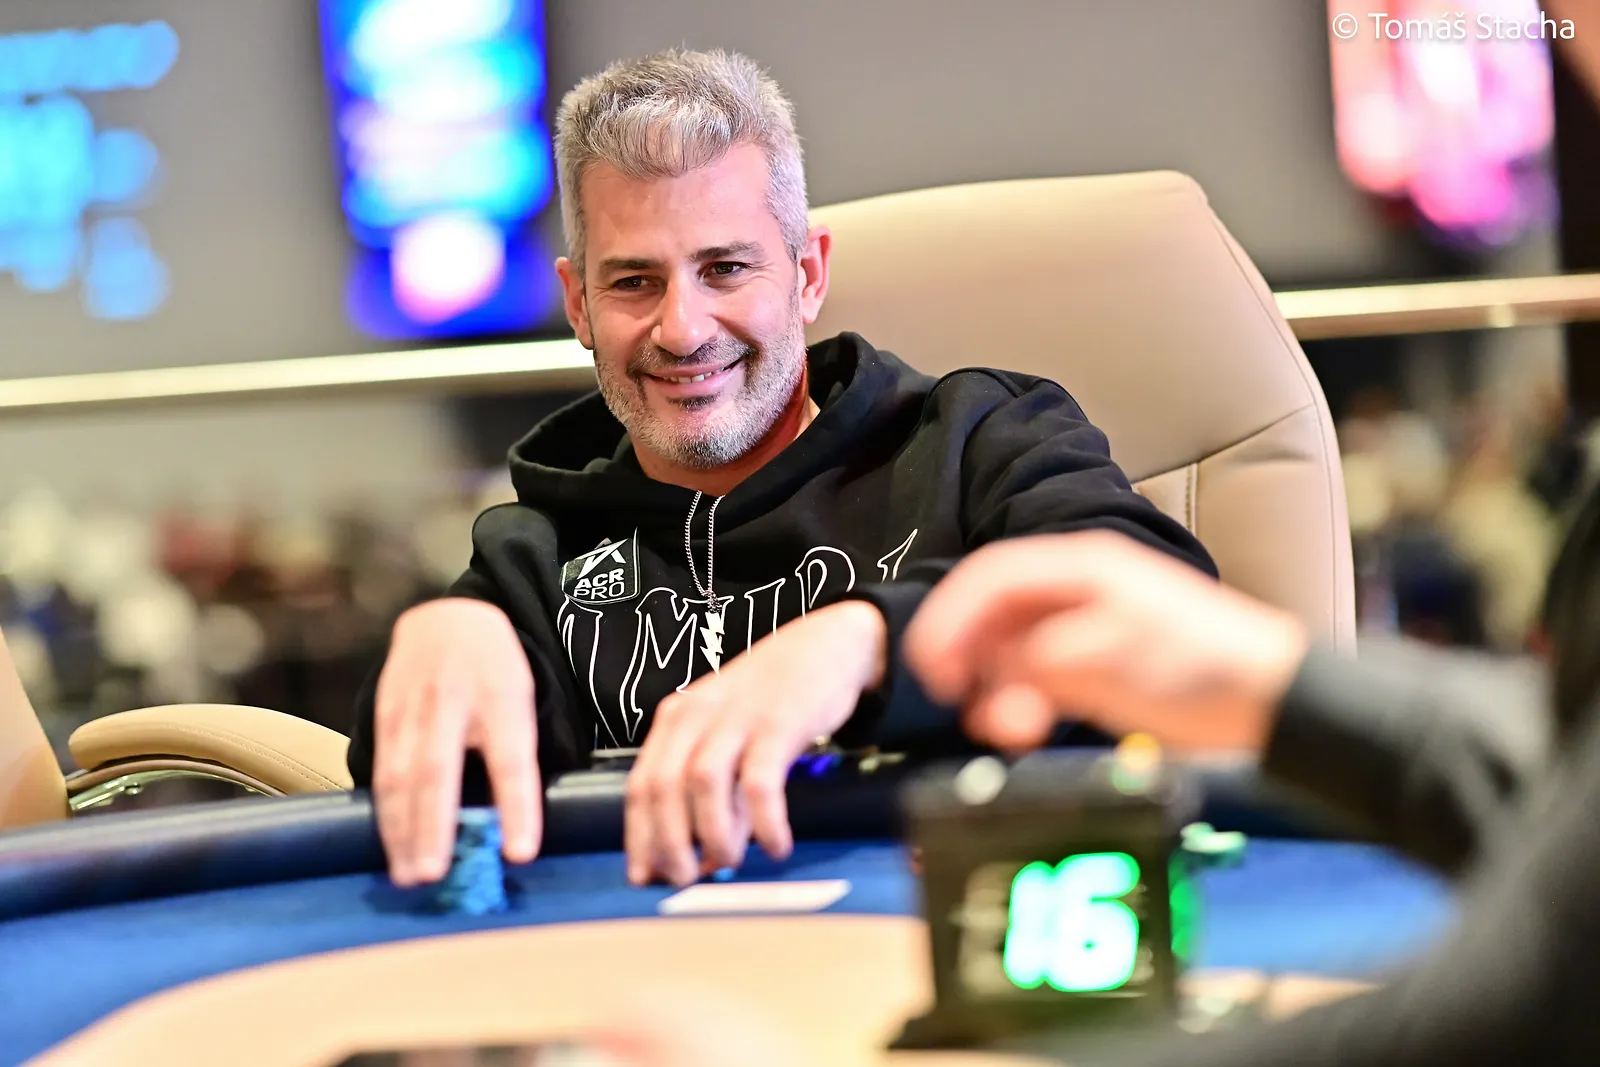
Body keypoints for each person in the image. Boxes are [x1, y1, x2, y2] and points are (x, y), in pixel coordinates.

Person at [347, 49, 1213, 890]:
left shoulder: (982, 436)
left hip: (956, 931)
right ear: (579, 304)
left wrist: (867, 642)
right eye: (635, 282)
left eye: (725, 268)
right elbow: (450, 839)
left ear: (807, 275)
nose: (683, 330)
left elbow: (1157, 604)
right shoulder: (532, 562)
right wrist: (440, 637)